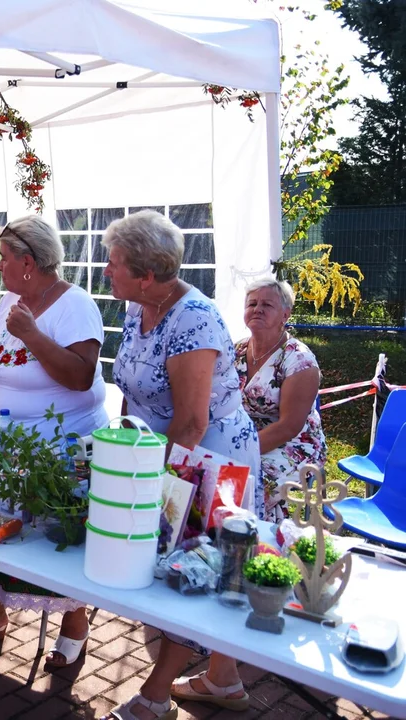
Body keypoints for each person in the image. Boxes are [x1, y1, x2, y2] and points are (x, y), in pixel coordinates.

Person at [99, 210, 260, 720]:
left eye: (115, 263)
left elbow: (191, 422)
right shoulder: (137, 305)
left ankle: (156, 696)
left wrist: (138, 472)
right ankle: (224, 680)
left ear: (148, 275)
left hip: (209, 457)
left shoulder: (194, 319)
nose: (106, 270)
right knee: (212, 567)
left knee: (189, 562)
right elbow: (132, 390)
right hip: (162, 448)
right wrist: (124, 441)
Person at [0, 215, 109, 666]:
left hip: (66, 448)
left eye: (3, 258)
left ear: (28, 262)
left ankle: (75, 622)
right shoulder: (9, 303)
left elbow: (80, 377)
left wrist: (34, 335)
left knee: (59, 536)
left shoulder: (75, 305)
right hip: (11, 445)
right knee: (1, 530)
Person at [235, 277, 326, 524]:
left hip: (293, 444)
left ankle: (264, 544)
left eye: (267, 304)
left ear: (285, 314)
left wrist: (240, 451)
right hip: (246, 437)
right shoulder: (237, 350)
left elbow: (289, 427)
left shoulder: (300, 360)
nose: (257, 309)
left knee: (249, 484)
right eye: (252, 303)